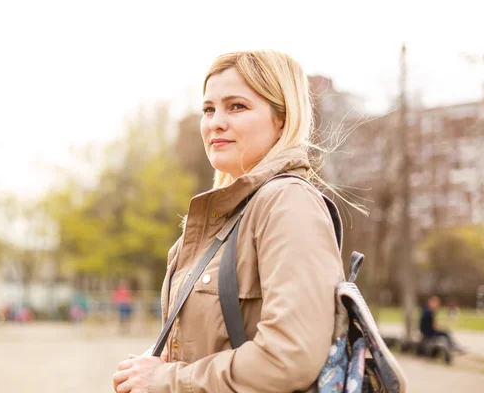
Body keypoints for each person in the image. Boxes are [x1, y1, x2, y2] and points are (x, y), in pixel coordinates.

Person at [113, 50, 347, 392]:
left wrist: (168, 380)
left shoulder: (287, 202)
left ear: (282, 118)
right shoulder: (230, 214)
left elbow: (291, 357)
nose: (215, 122)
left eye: (236, 106)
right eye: (208, 109)